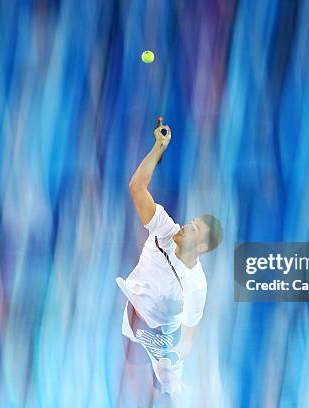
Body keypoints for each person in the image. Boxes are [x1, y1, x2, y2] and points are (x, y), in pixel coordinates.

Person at [117, 119, 223, 406]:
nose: (186, 226)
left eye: (195, 229)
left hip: (161, 339)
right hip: (133, 319)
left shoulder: (197, 286)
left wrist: (174, 355)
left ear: (200, 247)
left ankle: (167, 379)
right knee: (131, 376)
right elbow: (137, 188)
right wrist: (158, 147)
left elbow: (190, 336)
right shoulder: (165, 229)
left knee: (161, 385)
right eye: (191, 221)